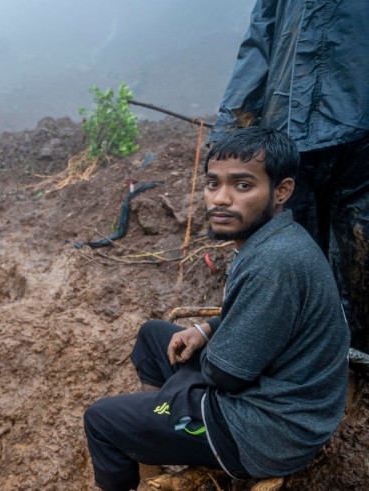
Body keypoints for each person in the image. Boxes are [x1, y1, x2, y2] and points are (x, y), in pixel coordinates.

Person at [83, 128, 350, 490]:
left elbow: (226, 375)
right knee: (153, 336)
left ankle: (164, 422)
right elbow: (256, 315)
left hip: (268, 429)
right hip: (275, 391)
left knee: (101, 420)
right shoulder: (273, 239)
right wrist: (206, 329)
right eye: (213, 184)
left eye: (242, 186)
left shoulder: (274, 263)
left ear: (281, 191)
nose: (220, 199)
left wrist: (199, 370)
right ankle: (159, 431)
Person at [208, 0, 369, 353]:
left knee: (358, 250)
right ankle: (291, 350)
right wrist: (232, 129)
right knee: (288, 249)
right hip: (291, 127)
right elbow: (260, 38)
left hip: (350, 130)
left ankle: (353, 358)